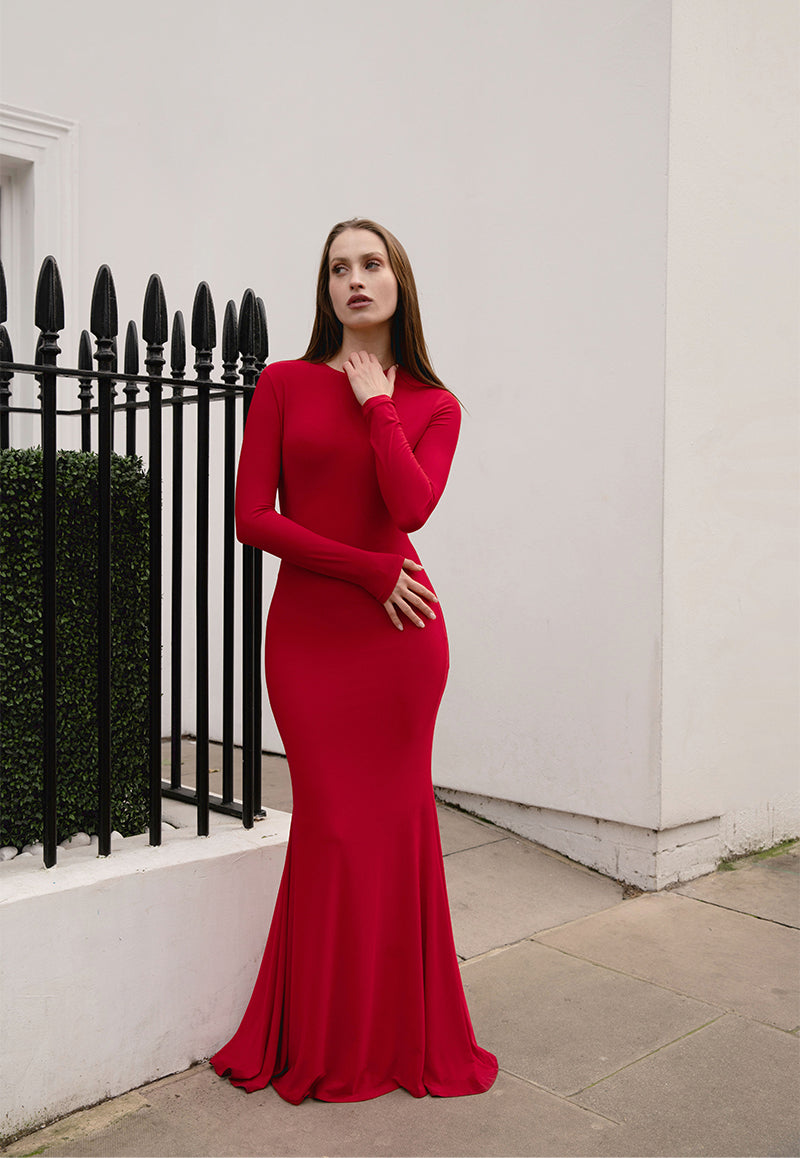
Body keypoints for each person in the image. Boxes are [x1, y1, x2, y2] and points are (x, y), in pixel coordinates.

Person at [210, 218, 498, 1104]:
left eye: (371, 264)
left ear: (399, 282)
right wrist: (368, 570)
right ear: (325, 288)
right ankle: (325, 1036)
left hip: (401, 646)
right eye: (339, 268)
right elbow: (252, 517)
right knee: (332, 829)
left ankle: (396, 1036)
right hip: (311, 641)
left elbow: (410, 508)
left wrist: (379, 404)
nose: (354, 280)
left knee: (396, 831)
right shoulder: (285, 384)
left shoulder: (434, 404)